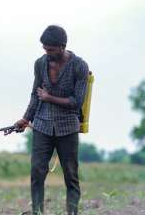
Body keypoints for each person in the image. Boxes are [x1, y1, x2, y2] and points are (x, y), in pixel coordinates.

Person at [15, 25, 89, 215]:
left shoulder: (79, 66)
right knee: (37, 173)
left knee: (71, 176)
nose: (47, 53)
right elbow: (35, 94)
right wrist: (25, 119)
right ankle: (37, 212)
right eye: (44, 48)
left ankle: (72, 213)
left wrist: (49, 98)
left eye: (51, 49)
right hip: (42, 125)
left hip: (68, 128)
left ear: (62, 46)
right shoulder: (40, 64)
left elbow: (76, 102)